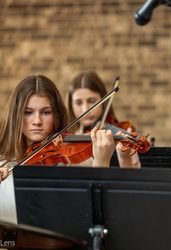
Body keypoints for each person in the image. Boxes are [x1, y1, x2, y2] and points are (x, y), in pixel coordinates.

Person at [0, 74, 117, 223]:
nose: (37, 121)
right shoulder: (3, 158)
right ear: (16, 114)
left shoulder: (68, 159)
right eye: (28, 112)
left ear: (57, 115)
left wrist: (101, 161)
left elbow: (87, 217)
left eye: (46, 112)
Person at [66, 70, 141, 168]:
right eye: (78, 103)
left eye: (92, 101)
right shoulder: (65, 142)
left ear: (103, 101)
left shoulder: (115, 132)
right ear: (71, 105)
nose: (85, 109)